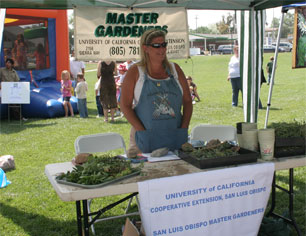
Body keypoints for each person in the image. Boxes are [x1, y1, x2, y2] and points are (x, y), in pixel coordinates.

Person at [120, 29, 193, 154]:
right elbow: (124, 105)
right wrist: (141, 130)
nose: (162, 49)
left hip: (175, 137)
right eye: (156, 45)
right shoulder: (135, 72)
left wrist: (184, 127)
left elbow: (187, 101)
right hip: (144, 139)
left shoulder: (175, 70)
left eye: (164, 45)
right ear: (145, 48)